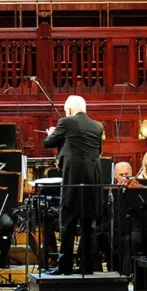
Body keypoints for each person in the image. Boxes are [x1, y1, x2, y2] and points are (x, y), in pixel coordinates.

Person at [43, 94, 104, 275]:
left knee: (68, 221)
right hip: (94, 178)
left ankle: (65, 266)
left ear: (69, 110)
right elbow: (98, 150)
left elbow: (48, 143)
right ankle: (87, 266)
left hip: (73, 177)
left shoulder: (66, 122)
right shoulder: (98, 126)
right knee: (88, 223)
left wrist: (52, 133)